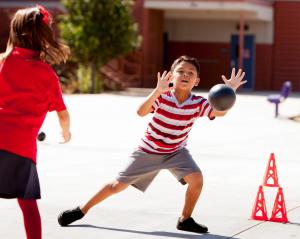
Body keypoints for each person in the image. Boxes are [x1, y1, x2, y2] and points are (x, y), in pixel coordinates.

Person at [58, 55, 245, 233]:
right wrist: (157, 91)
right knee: (116, 186)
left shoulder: (197, 103)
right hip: (148, 151)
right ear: (172, 76)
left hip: (176, 152)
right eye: (181, 71)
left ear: (196, 81)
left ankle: (185, 219)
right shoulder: (163, 97)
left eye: (191, 73)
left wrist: (230, 92)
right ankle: (82, 210)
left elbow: (219, 112)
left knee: (197, 179)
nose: (186, 75)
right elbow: (141, 112)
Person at [0, 5, 71, 239]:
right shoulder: (46, 74)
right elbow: (62, 113)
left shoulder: (2, 63)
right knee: (28, 204)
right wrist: (66, 133)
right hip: (20, 148)